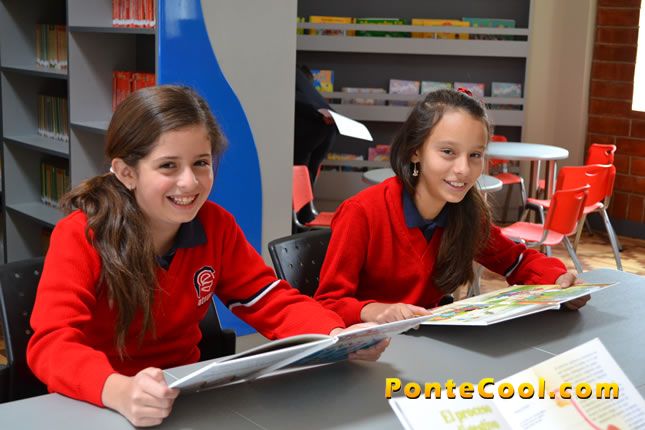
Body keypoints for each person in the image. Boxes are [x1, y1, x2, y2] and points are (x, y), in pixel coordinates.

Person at [27, 85, 387, 427]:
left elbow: (267, 299)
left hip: (184, 397)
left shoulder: (216, 225)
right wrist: (118, 390)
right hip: (98, 400)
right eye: (168, 166)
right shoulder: (81, 235)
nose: (190, 182)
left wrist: (336, 336)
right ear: (126, 172)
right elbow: (52, 343)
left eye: (201, 162)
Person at [314, 88, 590, 325]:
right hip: (370, 351)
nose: (463, 169)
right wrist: (373, 311)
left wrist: (559, 281)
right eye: (448, 152)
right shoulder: (361, 212)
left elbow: (516, 261)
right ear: (415, 151)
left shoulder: (466, 213)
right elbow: (328, 303)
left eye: (475, 155)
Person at [293, 66, 339, 223]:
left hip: (314, 124)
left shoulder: (288, 74)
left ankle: (302, 218)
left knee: (302, 172)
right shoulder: (305, 84)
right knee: (307, 173)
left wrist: (315, 112)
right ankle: (304, 216)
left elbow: (295, 97)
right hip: (327, 127)